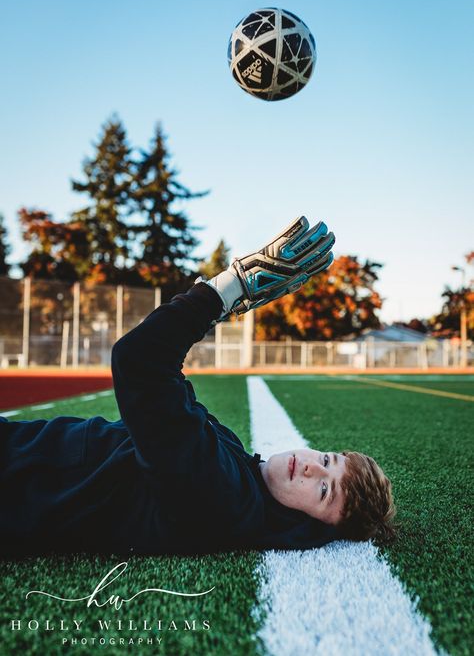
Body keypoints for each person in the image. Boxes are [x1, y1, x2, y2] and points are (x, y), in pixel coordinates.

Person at [0, 216, 395, 558]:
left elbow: (139, 362)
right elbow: (172, 393)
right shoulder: (237, 467)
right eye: (327, 460)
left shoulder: (224, 497)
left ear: (313, 528)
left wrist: (231, 288)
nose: (311, 467)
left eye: (324, 491)